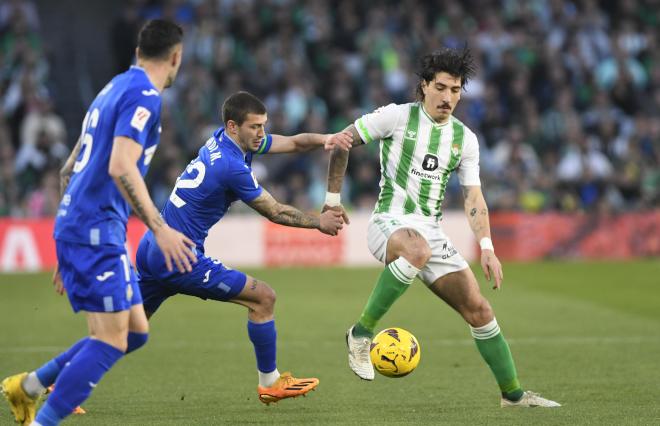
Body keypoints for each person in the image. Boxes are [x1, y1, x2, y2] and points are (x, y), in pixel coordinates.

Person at [324, 47, 560, 408]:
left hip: (430, 233)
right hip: (389, 222)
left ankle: (512, 395)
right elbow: (341, 142)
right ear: (424, 86)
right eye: (441, 87)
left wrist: (487, 247)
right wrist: (332, 200)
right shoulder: (395, 117)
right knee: (417, 249)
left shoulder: (465, 139)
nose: (448, 97)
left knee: (480, 311)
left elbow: (473, 198)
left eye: (455, 90)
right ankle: (360, 334)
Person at [1, 19, 197, 426]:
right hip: (94, 229)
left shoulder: (114, 87)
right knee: (110, 340)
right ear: (176, 56)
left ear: (139, 52)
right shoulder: (145, 96)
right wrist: (159, 229)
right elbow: (121, 165)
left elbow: (67, 169)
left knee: (135, 332)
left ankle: (29, 387)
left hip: (86, 229)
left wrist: (67, 241)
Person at [135, 91, 350, 404]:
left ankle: (53, 381)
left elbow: (292, 143)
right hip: (179, 256)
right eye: (255, 127)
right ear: (234, 126)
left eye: (263, 126)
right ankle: (270, 382)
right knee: (263, 298)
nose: (262, 134)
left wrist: (326, 139)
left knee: (125, 333)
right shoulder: (231, 167)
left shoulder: (223, 140)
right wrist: (319, 222)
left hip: (152, 245)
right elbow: (274, 211)